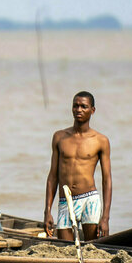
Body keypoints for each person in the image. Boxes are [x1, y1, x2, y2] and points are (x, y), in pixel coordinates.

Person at [43, 91, 112, 241]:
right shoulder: (59, 137)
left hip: (89, 200)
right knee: (65, 248)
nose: (79, 110)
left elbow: (107, 180)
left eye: (84, 106)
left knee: (92, 248)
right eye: (76, 106)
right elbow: (53, 176)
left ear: (92, 110)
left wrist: (105, 217)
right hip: (65, 200)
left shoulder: (101, 141)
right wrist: (47, 211)